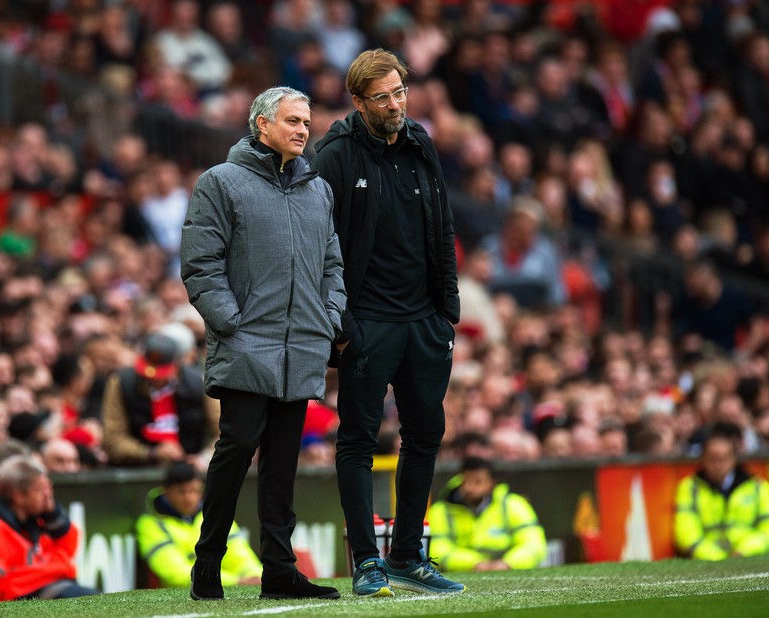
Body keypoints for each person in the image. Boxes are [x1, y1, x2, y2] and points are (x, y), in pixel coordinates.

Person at [181, 86, 346, 601]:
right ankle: (208, 560)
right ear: (261, 125)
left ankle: (279, 569)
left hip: (302, 347)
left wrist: (329, 318)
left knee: (283, 462)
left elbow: (332, 266)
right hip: (248, 344)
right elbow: (201, 265)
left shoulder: (318, 190)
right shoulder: (221, 183)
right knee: (236, 448)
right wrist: (234, 324)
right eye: (293, 121)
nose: (303, 130)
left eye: (306, 122)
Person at [311, 48, 463, 596]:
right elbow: (315, 244)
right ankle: (365, 562)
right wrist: (343, 321)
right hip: (367, 322)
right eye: (383, 97)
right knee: (357, 440)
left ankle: (406, 556)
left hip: (425, 321)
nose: (396, 104)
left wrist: (448, 312)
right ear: (358, 101)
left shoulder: (421, 143)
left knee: (425, 435)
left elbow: (442, 227)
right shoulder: (333, 154)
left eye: (401, 92)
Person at [0, 456, 99, 601]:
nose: (48, 496)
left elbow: (68, 549)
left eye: (48, 489)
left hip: (54, 588)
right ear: (19, 497)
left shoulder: (37, 521)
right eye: (41, 490)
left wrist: (54, 514)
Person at [101, 332, 219, 471]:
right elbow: (113, 438)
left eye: (161, 374)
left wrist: (204, 458)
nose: (154, 378)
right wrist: (150, 453)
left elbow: (222, 430)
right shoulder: (121, 382)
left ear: (177, 365)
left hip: (187, 469)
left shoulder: (198, 382)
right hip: (138, 469)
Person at [135, 462, 262, 589]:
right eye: (181, 491)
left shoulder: (215, 516)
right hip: (176, 600)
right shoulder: (150, 524)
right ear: (166, 492)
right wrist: (236, 582)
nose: (188, 498)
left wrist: (256, 576)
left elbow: (241, 557)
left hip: (224, 589)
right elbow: (175, 572)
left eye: (193, 490)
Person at [673, 423, 769, 560]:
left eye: (723, 458)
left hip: (750, 557)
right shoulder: (690, 488)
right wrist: (717, 558)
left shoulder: (757, 486)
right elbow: (686, 532)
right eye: (712, 458)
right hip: (708, 561)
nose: (718, 465)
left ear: (733, 459)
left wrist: (745, 551)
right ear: (702, 459)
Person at [428, 457, 547, 572]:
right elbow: (437, 550)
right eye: (466, 480)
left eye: (478, 481)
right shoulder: (440, 510)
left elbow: (534, 544)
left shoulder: (513, 504)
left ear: (491, 483)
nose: (469, 487)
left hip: (507, 571)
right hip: (463, 574)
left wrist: (508, 563)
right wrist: (475, 563)